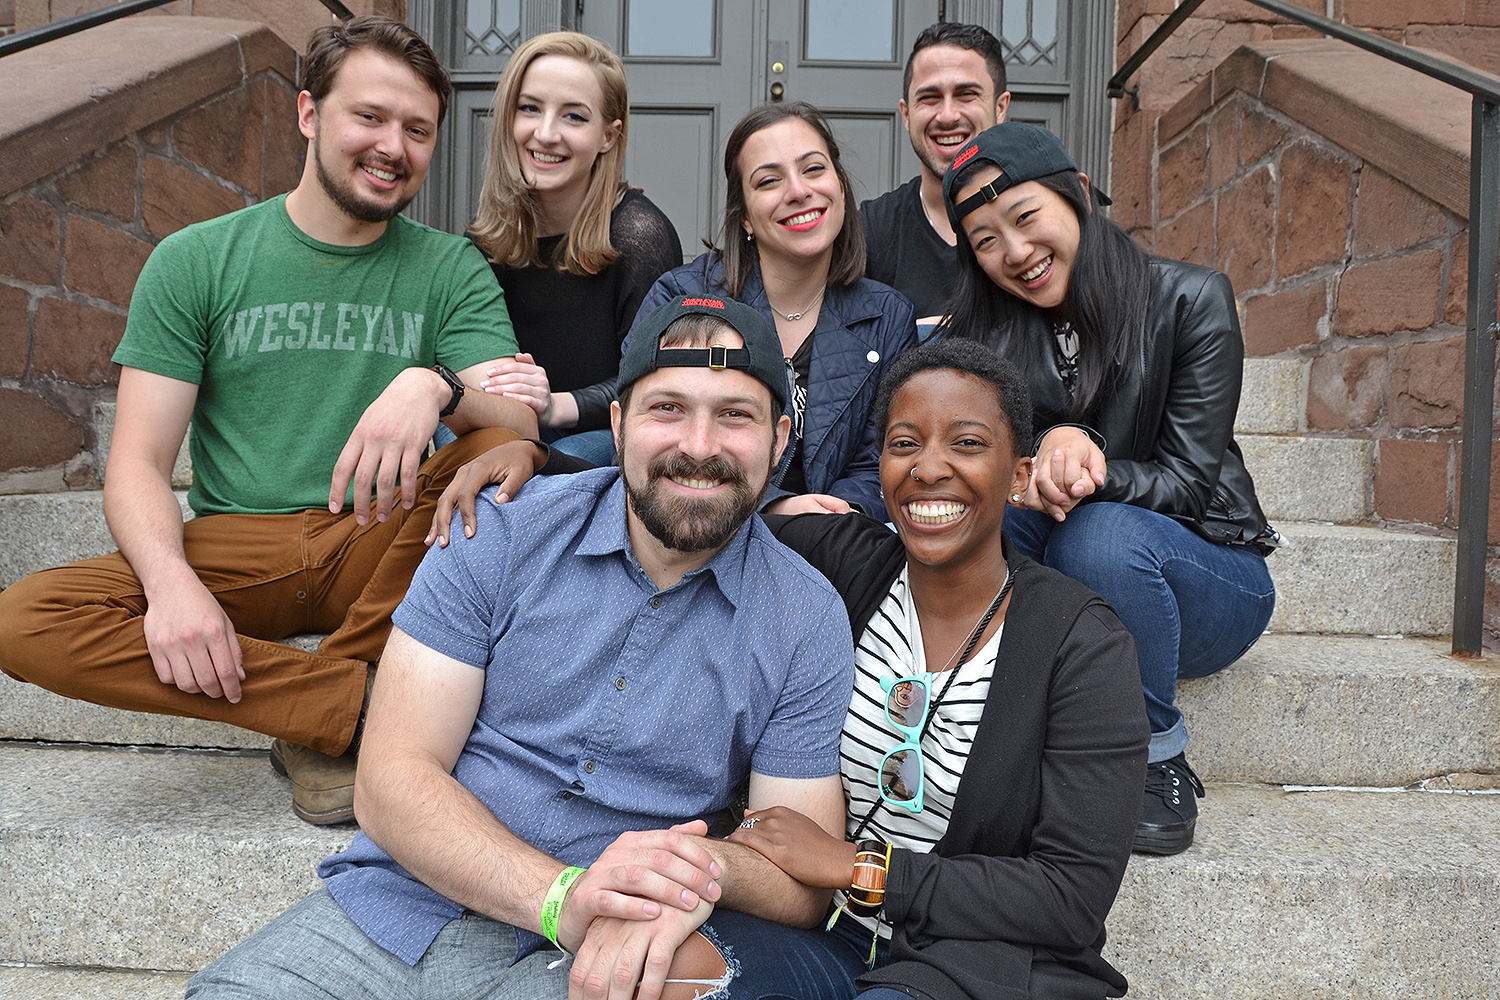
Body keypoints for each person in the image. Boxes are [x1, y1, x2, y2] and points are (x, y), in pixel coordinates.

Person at [427, 338, 1150, 1000]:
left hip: (977, 955)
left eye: (967, 443)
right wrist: (542, 463)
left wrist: (854, 867)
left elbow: (1071, 896)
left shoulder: (1081, 645)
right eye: (905, 443)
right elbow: (698, 492)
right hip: (818, 930)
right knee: (639, 978)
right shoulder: (845, 561)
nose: (930, 467)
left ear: (1020, 474)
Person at [187, 295, 856, 1000]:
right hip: (404, 905)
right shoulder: (500, 531)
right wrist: (561, 897)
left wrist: (688, 869)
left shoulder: (804, 618)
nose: (698, 444)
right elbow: (391, 779)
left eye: (734, 415)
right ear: (620, 425)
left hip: (601, 946)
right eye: (667, 409)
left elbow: (800, 877)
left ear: (781, 440)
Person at [0, 16, 538, 827]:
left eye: (417, 129)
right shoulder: (198, 259)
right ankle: (345, 709)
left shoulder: (447, 265)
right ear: (309, 113)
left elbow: (520, 423)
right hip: (238, 548)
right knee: (25, 620)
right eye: (370, 116)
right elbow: (139, 463)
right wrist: (172, 585)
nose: (393, 145)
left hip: (377, 538)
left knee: (494, 450)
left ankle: (326, 719)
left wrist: (435, 385)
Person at [939, 121, 1279, 855]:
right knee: (976, 517)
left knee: (1101, 532)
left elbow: (1189, 484)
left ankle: (1157, 757)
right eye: (987, 241)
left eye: (1026, 218)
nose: (1016, 253)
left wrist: (1083, 451)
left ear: (1081, 194)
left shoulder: (1190, 301)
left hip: (1203, 579)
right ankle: (968, 725)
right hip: (1075, 579)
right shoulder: (986, 336)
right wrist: (1030, 464)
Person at [630, 101, 916, 517]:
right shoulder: (679, 297)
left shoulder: (888, 316)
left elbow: (883, 455)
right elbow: (645, 435)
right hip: (701, 517)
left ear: (841, 186)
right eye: (769, 181)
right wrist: (776, 506)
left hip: (835, 532)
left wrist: (828, 514)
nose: (798, 191)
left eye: (814, 169)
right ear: (745, 216)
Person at [465, 31, 683, 465]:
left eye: (574, 117)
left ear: (608, 135)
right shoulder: (483, 243)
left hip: (603, 431)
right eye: (529, 108)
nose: (546, 134)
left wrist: (554, 404)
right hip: (510, 424)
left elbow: (655, 379)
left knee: (548, 463)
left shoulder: (639, 235)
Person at [860, 22, 1010, 326]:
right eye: (929, 98)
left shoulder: (1037, 222)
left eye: (966, 94)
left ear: (1000, 108)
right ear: (906, 114)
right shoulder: (869, 232)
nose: (947, 116)